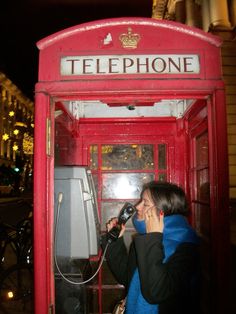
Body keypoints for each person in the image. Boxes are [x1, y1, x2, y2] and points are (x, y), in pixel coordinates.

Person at [101, 181, 200, 314]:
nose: (138, 207)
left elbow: (155, 292)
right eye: (140, 201)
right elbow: (127, 278)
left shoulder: (186, 248)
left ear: (162, 212)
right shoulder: (145, 239)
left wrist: (153, 236)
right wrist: (115, 241)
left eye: (145, 203)